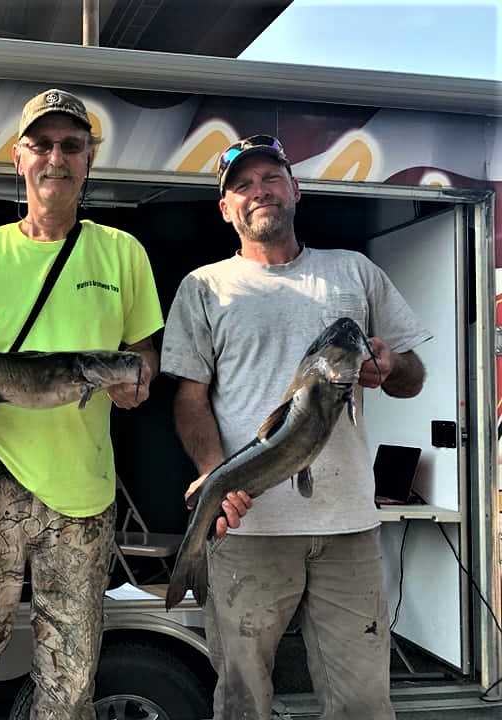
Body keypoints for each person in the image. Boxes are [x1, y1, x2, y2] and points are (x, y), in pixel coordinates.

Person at [0, 88, 250, 720]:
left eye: (71, 146)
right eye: (41, 145)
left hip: (83, 495)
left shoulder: (121, 251)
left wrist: (139, 378)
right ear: (17, 159)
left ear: (89, 160)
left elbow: (144, 351)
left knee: (70, 684)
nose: (56, 158)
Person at [161, 134, 430, 719]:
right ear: (226, 208)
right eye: (242, 185)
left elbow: (412, 373)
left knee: (362, 698)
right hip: (248, 531)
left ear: (295, 189)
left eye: (271, 179)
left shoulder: (354, 271)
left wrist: (390, 365)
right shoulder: (204, 286)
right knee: (242, 697)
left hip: (348, 526)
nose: (259, 191)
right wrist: (216, 477)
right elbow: (189, 399)